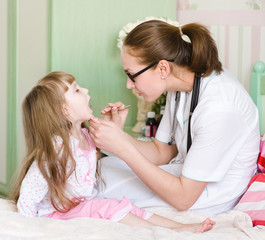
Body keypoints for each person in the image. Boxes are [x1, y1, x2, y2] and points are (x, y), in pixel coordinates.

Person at [8, 71, 215, 233]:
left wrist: (115, 125)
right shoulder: (57, 146)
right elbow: (29, 191)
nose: (87, 91)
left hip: (78, 206)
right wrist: (29, 227)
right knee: (107, 206)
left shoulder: (86, 136)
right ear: (65, 110)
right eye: (77, 90)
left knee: (126, 206)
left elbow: (103, 151)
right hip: (57, 215)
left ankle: (176, 227)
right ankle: (172, 229)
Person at [89, 20, 260, 215]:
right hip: (183, 176)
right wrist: (119, 137)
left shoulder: (220, 107)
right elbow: (161, 152)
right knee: (102, 169)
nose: (129, 85)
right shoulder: (180, 86)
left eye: (132, 75)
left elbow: (184, 198)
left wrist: (124, 148)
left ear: (163, 69)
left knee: (101, 191)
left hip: (207, 196)